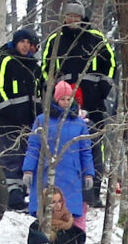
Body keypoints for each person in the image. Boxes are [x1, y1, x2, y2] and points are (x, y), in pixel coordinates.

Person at [39, 2, 115, 207]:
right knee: (60, 142)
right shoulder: (56, 39)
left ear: (82, 18)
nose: (72, 20)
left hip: (93, 100)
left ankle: (93, 190)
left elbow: (111, 65)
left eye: (76, 16)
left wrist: (102, 89)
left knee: (94, 143)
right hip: (62, 100)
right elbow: (46, 67)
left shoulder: (97, 39)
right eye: (69, 16)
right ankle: (58, 191)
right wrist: (54, 88)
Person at [22, 80, 95, 232]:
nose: (66, 102)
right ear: (56, 99)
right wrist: (28, 169)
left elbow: (86, 151)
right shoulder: (43, 120)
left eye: (69, 99)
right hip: (46, 174)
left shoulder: (79, 123)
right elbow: (34, 146)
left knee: (68, 211)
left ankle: (68, 242)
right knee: (47, 209)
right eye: (63, 99)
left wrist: (88, 173)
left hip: (71, 175)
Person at [0, 27, 41, 211]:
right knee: (10, 156)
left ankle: (19, 192)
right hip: (8, 121)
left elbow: (41, 92)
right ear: (15, 42)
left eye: (29, 43)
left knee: (25, 155)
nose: (25, 46)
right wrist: (7, 110)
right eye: (22, 42)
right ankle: (10, 194)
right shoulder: (6, 61)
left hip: (30, 122)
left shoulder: (34, 66)